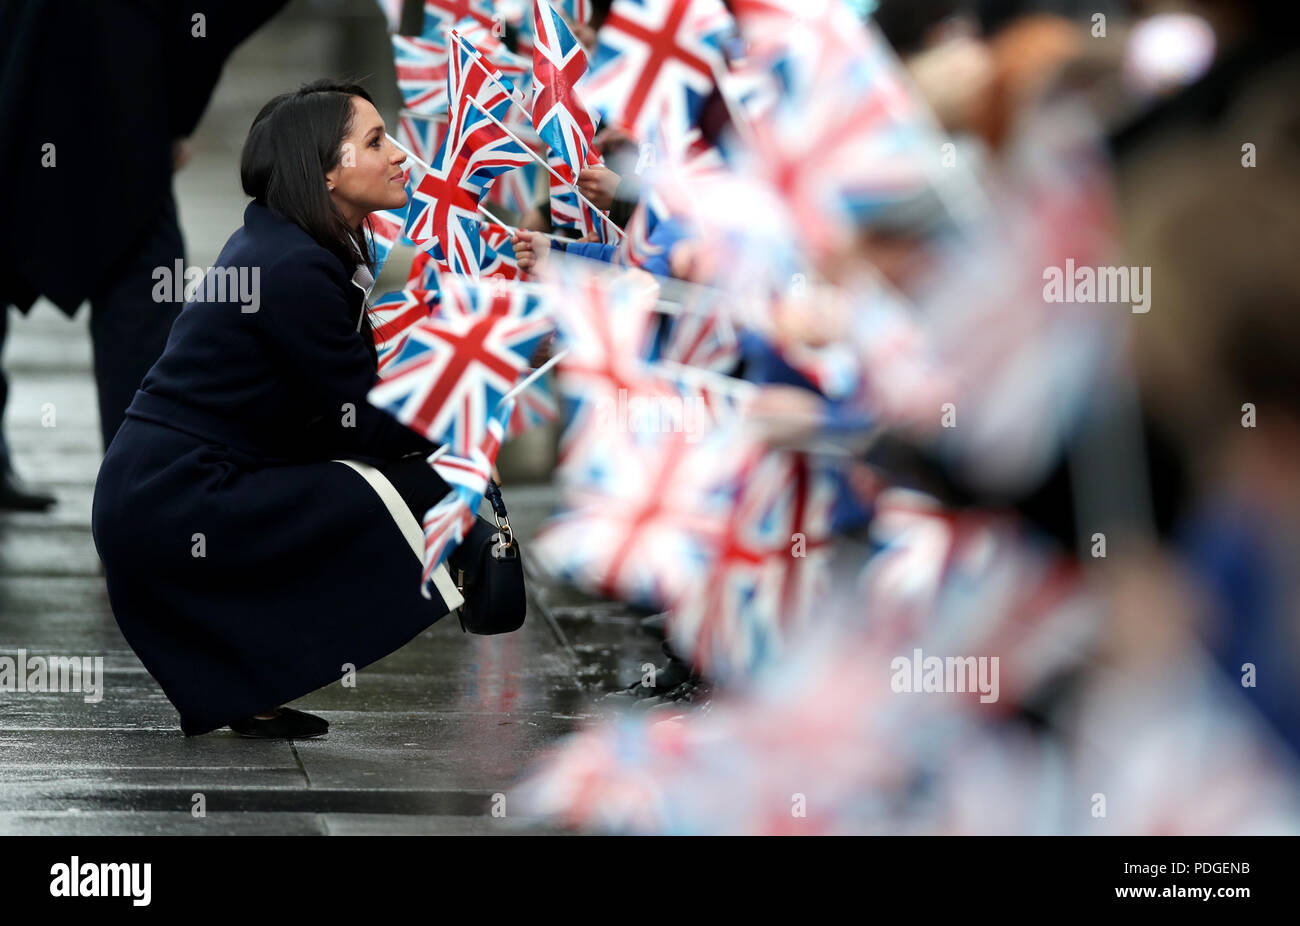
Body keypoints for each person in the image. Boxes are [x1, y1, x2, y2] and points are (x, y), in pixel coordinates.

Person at [91, 80, 479, 740]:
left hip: (161, 490)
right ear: (327, 172)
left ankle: (254, 689)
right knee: (433, 486)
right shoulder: (292, 265)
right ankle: (256, 679)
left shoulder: (289, 248)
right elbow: (364, 418)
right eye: (376, 141)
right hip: (174, 500)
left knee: (397, 477)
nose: (399, 156)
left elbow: (338, 407)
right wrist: (469, 419)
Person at [0, 0, 290, 509]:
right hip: (118, 82)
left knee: (137, 272)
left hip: (68, 61)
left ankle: (140, 496)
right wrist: (171, 112)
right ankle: (139, 501)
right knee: (137, 273)